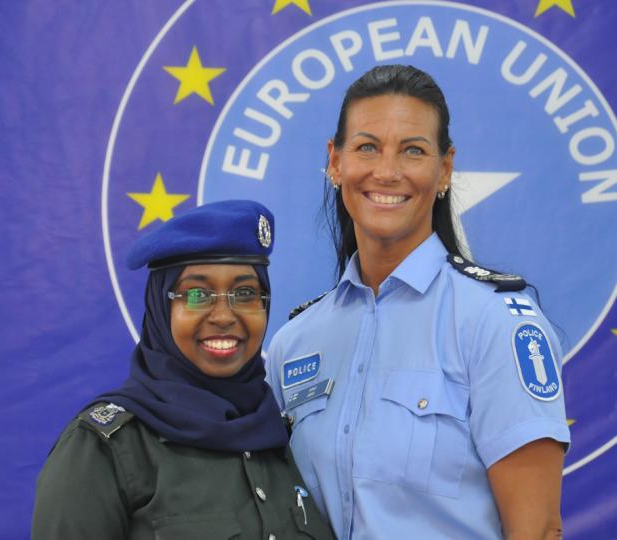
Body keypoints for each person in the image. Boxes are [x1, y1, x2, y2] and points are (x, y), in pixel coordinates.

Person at [266, 65, 570, 540]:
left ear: (444, 168)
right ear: (335, 161)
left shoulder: (496, 322)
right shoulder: (293, 343)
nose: (387, 172)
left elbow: (538, 529)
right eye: (367, 147)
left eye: (413, 150)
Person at [32, 200, 335, 539]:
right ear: (161, 307)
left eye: (246, 293)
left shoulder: (281, 435)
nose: (223, 316)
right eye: (197, 295)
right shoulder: (105, 450)